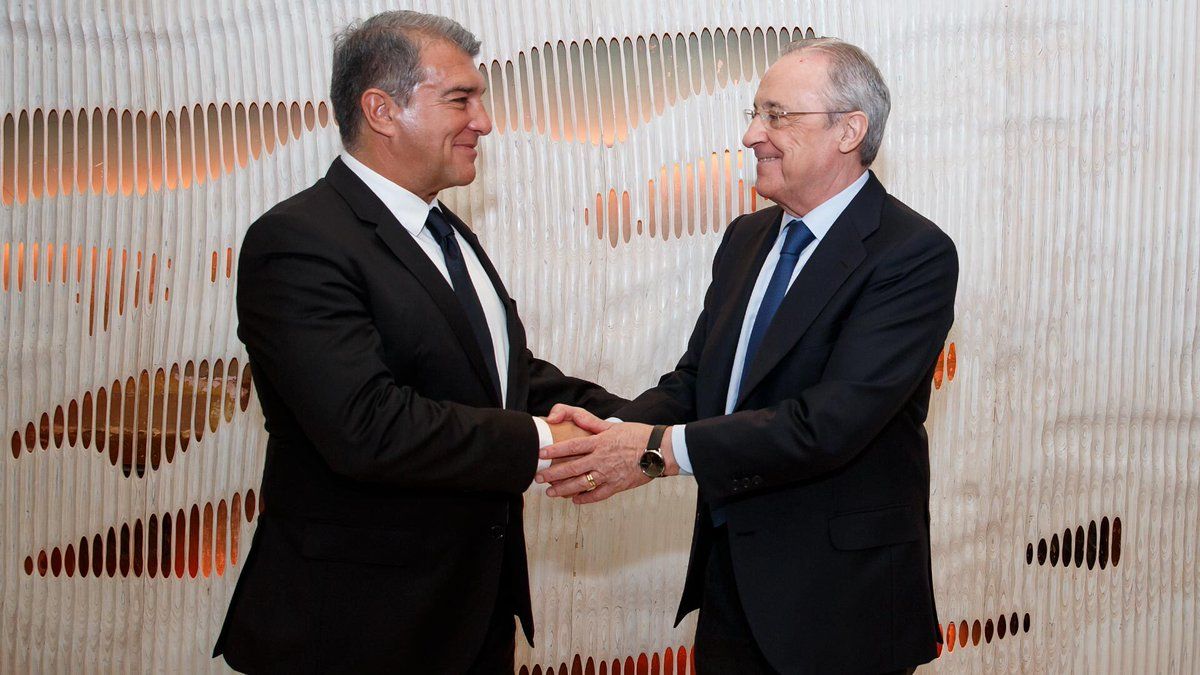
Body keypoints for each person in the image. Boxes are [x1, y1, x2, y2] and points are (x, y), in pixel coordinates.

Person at [212, 11, 625, 673]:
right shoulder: (299, 241)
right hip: (353, 630)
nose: (483, 121)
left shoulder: (447, 232)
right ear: (381, 109)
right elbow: (365, 426)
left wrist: (645, 426)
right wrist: (550, 442)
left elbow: (505, 378)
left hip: (466, 618)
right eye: (460, 99)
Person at [537, 38, 958, 674]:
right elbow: (700, 380)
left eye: (777, 115)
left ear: (850, 130)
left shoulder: (911, 254)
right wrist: (614, 437)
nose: (752, 135)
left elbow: (828, 425)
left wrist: (657, 452)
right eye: (754, 113)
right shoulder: (747, 237)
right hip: (732, 582)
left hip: (839, 602)